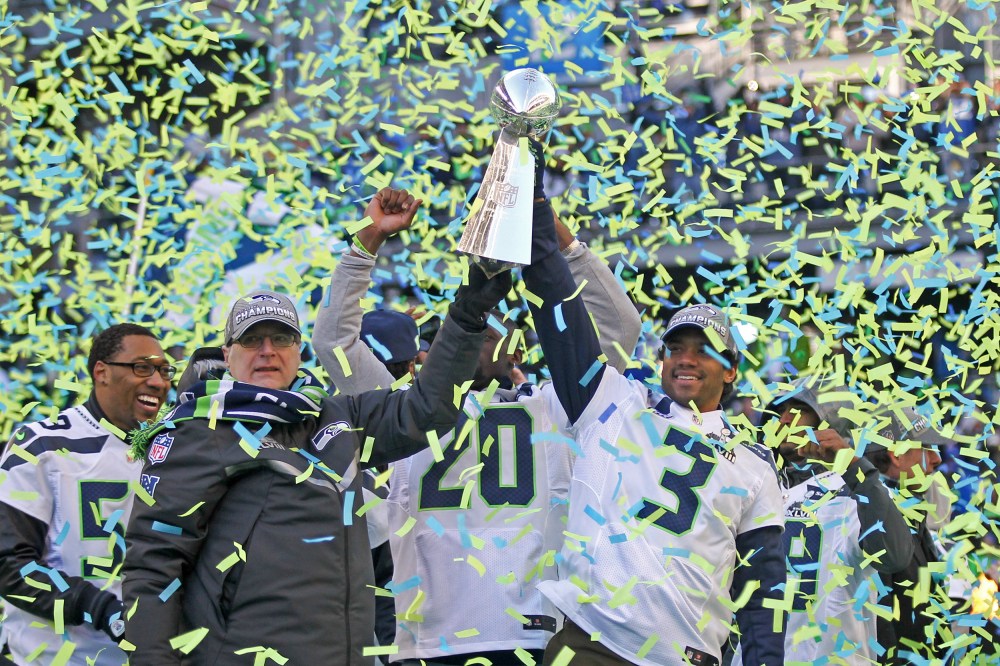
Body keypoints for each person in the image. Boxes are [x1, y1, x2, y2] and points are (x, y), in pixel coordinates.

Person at [312, 184, 641, 665]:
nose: (472, 343)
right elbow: (333, 342)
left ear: (519, 349)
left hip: (535, 640)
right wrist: (368, 240)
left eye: (490, 332)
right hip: (428, 641)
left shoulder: (558, 406)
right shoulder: (404, 408)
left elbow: (619, 327)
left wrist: (556, 236)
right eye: (464, 333)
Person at [120, 274, 508, 664]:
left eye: (282, 339)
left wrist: (469, 311)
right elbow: (154, 564)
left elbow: (427, 410)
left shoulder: (336, 417)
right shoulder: (198, 431)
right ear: (227, 354)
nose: (267, 351)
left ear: (299, 350)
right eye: (252, 340)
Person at [521, 165, 786, 665]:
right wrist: (535, 209)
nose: (686, 358)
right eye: (676, 348)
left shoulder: (754, 465)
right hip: (591, 646)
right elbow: (559, 313)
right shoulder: (613, 402)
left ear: (731, 373)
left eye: (704, 351)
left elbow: (763, 591)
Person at [0, 323, 172, 665]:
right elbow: (9, 564)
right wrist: (101, 608)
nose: (158, 381)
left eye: (165, 371)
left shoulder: (174, 451)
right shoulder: (41, 445)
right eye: (142, 368)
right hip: (53, 658)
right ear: (102, 372)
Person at [731, 377, 913, 665]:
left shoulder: (859, 489)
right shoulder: (756, 482)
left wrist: (853, 468)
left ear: (830, 420)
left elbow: (895, 556)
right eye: (781, 410)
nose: (785, 418)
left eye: (799, 409)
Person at [864, 405, 950, 665]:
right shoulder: (873, 516)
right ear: (897, 456)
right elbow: (881, 618)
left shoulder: (910, 508)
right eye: (926, 448)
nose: (937, 460)